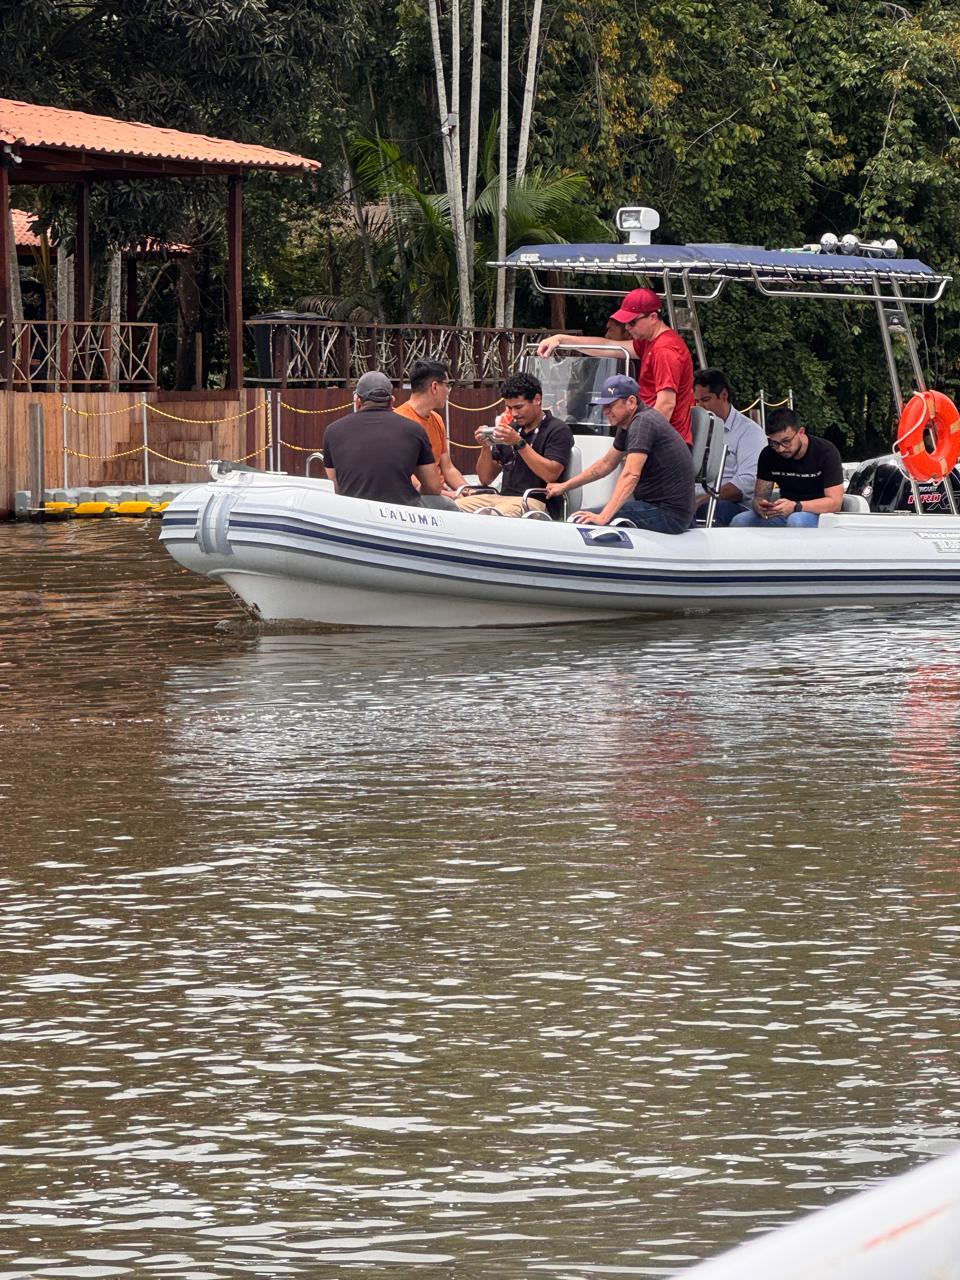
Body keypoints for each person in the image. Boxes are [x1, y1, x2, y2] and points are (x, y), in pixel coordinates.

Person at [537, 287, 694, 444]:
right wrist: (561, 339)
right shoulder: (649, 343)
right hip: (648, 432)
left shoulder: (665, 349)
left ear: (653, 317)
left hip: (666, 443)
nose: (627, 328)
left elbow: (665, 405)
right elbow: (608, 347)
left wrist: (641, 444)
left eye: (632, 322)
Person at [544, 374, 694, 533]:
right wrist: (564, 486)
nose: (605, 411)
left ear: (631, 402)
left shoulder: (642, 423)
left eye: (610, 405)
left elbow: (631, 475)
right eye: (603, 406)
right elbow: (605, 465)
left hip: (669, 514)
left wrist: (604, 517)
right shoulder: (628, 424)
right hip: (658, 507)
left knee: (581, 520)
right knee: (588, 515)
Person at [457, 371, 573, 518]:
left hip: (536, 500)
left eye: (518, 407)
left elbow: (550, 474)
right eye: (509, 408)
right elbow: (485, 479)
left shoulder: (558, 429)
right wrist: (486, 446)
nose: (514, 414)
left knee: (498, 514)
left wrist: (519, 443)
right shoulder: (510, 429)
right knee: (453, 507)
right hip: (502, 498)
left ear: (537, 399)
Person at [323, 370, 441, 507]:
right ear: (392, 401)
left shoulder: (333, 431)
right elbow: (433, 487)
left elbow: (336, 485)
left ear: (357, 401)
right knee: (445, 505)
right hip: (402, 513)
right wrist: (419, 491)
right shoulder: (414, 430)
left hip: (353, 512)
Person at [730, 407, 844, 527]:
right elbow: (759, 497)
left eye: (786, 441)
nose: (780, 448)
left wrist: (797, 506)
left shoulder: (826, 452)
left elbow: (835, 503)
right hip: (784, 512)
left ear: (801, 432)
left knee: (797, 520)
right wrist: (760, 506)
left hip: (821, 515)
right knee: (741, 520)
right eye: (774, 443)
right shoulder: (768, 454)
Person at [692, 368, 767, 525]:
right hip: (694, 500)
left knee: (713, 510)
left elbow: (747, 482)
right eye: (697, 401)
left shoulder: (749, 432)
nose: (700, 407)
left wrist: (704, 499)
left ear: (724, 395)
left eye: (705, 400)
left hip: (732, 506)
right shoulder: (695, 428)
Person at [394, 359, 468, 509]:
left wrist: (467, 490)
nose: (448, 391)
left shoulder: (437, 419)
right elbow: (407, 476)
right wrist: (448, 495)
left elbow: (448, 468)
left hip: (441, 494)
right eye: (447, 385)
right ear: (434, 386)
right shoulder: (399, 420)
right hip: (419, 497)